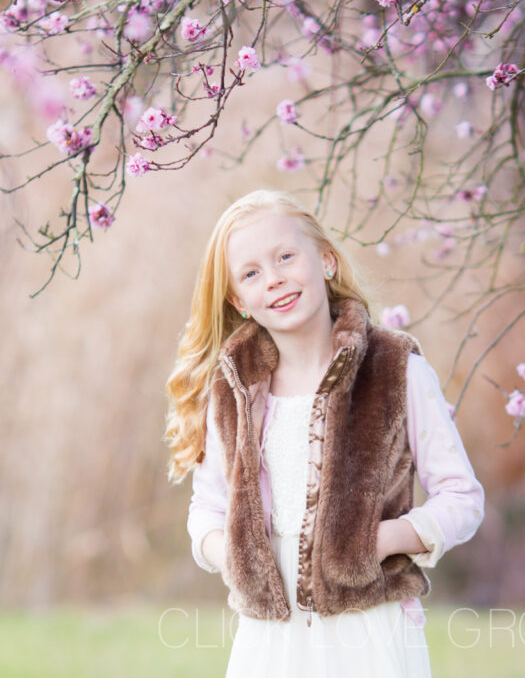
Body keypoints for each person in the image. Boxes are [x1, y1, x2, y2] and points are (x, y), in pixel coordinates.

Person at [164, 189, 485, 677]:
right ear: (239, 301)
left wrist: (376, 541)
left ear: (327, 261)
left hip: (368, 630)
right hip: (269, 638)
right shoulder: (232, 390)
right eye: (251, 274)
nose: (274, 280)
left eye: (286, 257)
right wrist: (237, 555)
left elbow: (462, 497)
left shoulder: (396, 368)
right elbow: (206, 511)